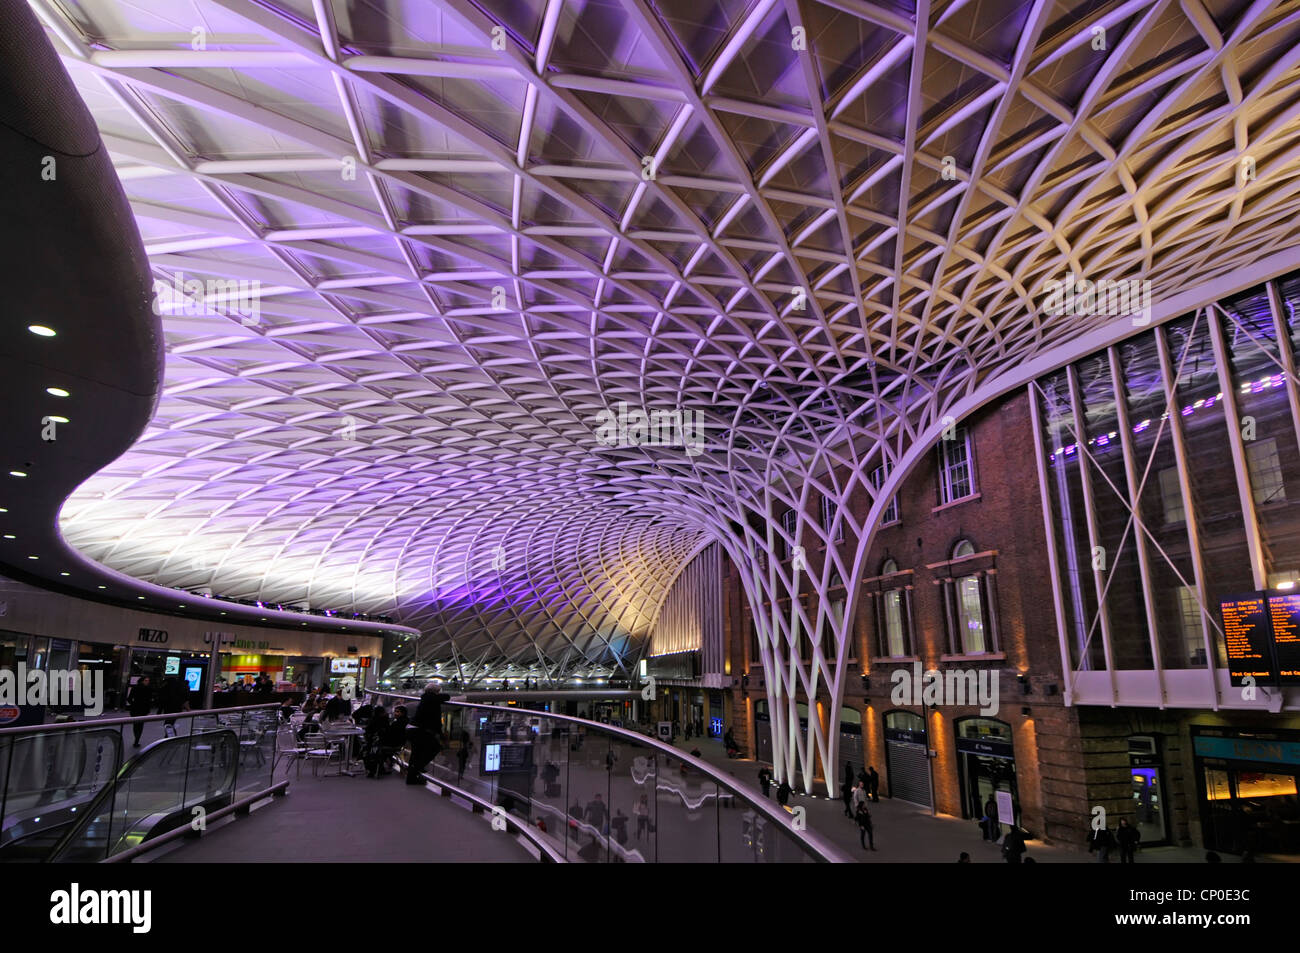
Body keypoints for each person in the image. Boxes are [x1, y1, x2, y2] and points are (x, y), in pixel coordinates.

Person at [406, 680, 450, 784]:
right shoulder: (432, 698)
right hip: (420, 730)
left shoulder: (425, 698)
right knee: (434, 748)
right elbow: (447, 697)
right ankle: (415, 770)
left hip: (413, 729)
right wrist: (441, 734)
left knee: (416, 753)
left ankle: (412, 776)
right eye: (438, 691)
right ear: (436, 692)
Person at [126, 676, 155, 746]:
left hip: (135, 709)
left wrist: (133, 704)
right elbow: (150, 700)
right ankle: (137, 740)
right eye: (146, 680)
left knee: (135, 724)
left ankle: (136, 738)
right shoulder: (148, 689)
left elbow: (129, 698)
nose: (147, 682)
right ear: (142, 681)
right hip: (143, 709)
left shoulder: (135, 688)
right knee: (140, 725)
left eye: (148, 680)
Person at [363, 705, 390, 778]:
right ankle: (380, 768)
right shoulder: (385, 721)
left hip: (371, 744)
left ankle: (372, 769)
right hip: (381, 744)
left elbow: (367, 731)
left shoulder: (372, 721)